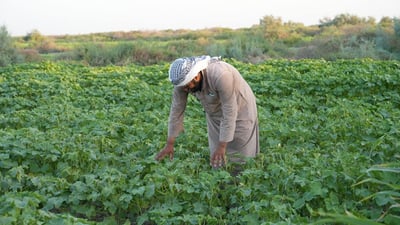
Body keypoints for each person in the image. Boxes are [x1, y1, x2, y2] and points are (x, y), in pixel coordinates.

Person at [155, 55, 259, 169]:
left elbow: (229, 112)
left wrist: (222, 146)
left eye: (186, 86)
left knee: (240, 151)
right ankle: (222, 182)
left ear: (195, 77)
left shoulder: (221, 75)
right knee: (217, 154)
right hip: (214, 109)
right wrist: (170, 143)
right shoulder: (182, 83)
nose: (184, 90)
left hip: (240, 106)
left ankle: (242, 179)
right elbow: (176, 110)